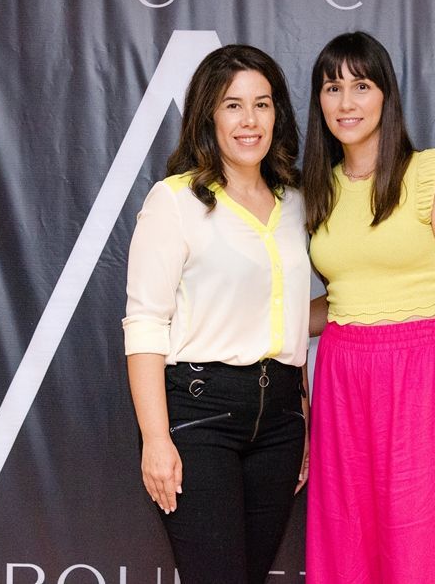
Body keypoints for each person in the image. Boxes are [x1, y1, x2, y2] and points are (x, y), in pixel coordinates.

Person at [122, 45, 310, 584]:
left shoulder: (296, 202)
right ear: (208, 116)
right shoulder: (175, 201)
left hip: (280, 421)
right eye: (232, 105)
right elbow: (145, 325)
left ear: (278, 114)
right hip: (200, 416)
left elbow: (292, 320)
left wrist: (303, 419)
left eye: (262, 104)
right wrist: (156, 439)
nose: (249, 120)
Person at [303, 31, 435, 583]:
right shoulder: (319, 188)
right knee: (346, 545)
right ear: (320, 102)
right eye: (333, 88)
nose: (347, 102)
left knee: (421, 545)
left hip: (421, 376)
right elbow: (341, 301)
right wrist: (244, 320)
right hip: (340, 376)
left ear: (386, 95)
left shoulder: (433, 173)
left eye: (362, 85)